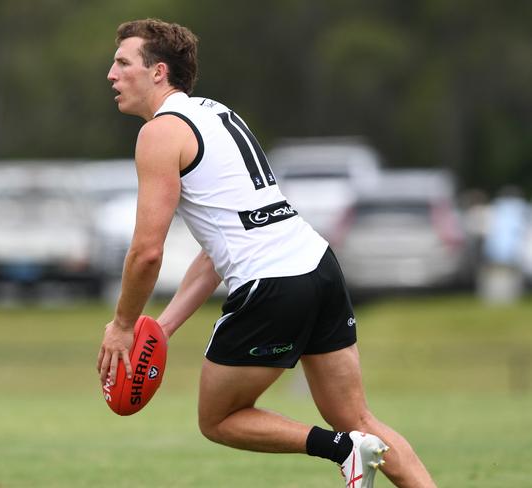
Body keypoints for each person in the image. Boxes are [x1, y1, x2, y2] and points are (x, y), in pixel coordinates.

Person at [97, 18, 436, 488]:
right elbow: (221, 249)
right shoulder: (216, 114)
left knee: (218, 419)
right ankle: (358, 447)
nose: (111, 75)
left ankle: (341, 450)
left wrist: (122, 326)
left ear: (158, 72)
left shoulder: (159, 134)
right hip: (318, 267)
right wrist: (163, 328)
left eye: (122, 63)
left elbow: (146, 253)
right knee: (356, 417)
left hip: (274, 284)